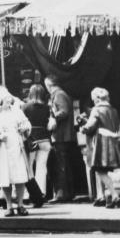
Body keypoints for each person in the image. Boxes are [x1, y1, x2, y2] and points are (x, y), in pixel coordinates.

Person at [0, 85, 31, 217]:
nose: (9, 102)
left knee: (19, 175)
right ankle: (8, 205)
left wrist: (23, 129)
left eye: (9, 99)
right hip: (2, 148)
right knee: (5, 177)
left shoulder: (16, 111)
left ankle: (20, 204)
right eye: (5, 100)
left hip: (16, 145)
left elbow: (26, 123)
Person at [82, 87, 120, 209]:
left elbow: (90, 126)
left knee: (100, 170)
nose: (93, 101)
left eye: (94, 98)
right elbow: (116, 126)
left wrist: (83, 127)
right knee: (103, 170)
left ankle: (115, 195)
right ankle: (105, 196)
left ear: (98, 98)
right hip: (113, 141)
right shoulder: (114, 110)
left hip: (102, 142)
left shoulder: (97, 110)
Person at [44, 75, 77, 203]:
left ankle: (62, 194)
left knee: (61, 165)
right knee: (63, 164)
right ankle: (66, 193)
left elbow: (64, 111)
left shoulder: (59, 95)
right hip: (63, 135)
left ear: (49, 85)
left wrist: (52, 116)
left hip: (62, 135)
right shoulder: (61, 94)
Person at [22, 84, 51, 207]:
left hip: (32, 139)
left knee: (29, 168)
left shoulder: (26, 107)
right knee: (41, 167)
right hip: (45, 139)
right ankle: (42, 193)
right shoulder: (46, 107)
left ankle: (30, 195)